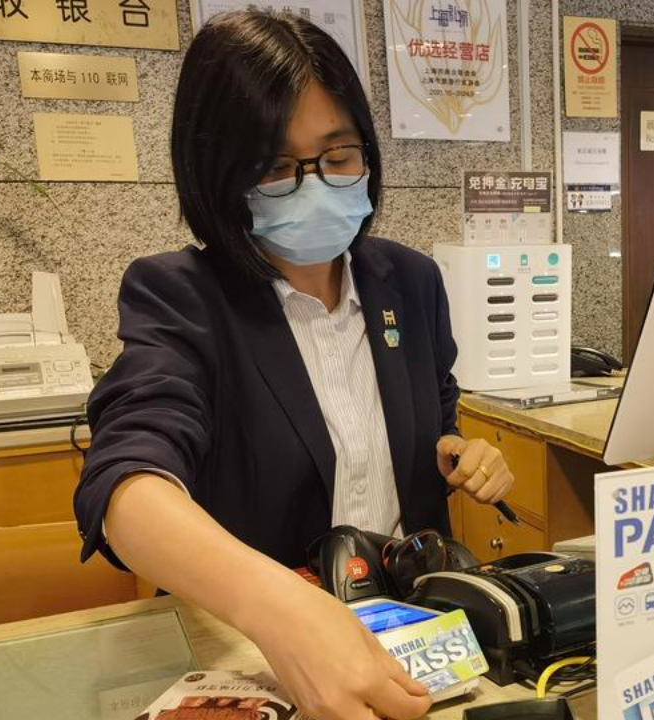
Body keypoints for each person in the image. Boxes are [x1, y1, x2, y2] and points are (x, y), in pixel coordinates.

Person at [73, 11, 515, 720]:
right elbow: (126, 484)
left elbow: (435, 414)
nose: (316, 184)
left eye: (339, 157)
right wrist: (279, 608)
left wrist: (458, 449)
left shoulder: (411, 281)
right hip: (260, 660)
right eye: (277, 168)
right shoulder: (181, 297)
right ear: (219, 175)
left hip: (416, 646)